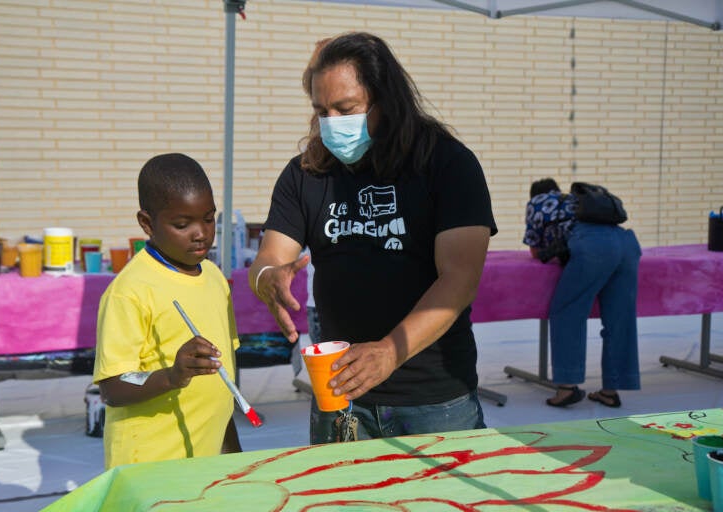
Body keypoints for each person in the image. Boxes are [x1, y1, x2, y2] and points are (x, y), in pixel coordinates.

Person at [249, 32, 497, 444]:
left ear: (387, 100)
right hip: (339, 397)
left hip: (434, 403)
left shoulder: (448, 164)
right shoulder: (305, 173)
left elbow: (459, 279)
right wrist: (267, 279)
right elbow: (270, 257)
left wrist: (390, 350)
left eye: (345, 109)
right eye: (321, 111)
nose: (331, 123)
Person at [93, 152, 241, 469]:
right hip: (149, 466)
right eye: (182, 224)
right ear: (147, 223)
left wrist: (233, 459)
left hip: (205, 465)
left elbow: (222, 383)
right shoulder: (130, 292)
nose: (200, 233)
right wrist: (172, 376)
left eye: (208, 218)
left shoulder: (215, 278)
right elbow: (113, 387)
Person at [522, 178, 642, 408]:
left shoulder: (537, 202)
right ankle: (610, 390)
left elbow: (536, 252)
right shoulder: (577, 201)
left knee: (568, 313)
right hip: (627, 243)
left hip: (593, 248)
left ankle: (567, 387)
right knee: (619, 320)